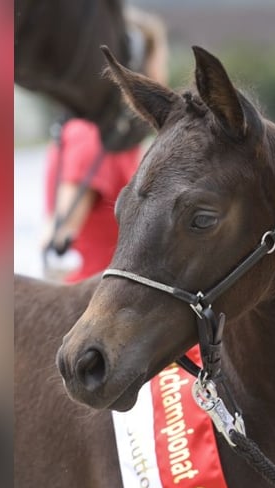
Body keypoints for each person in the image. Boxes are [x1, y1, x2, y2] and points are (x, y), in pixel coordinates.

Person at [42, 8, 167, 283]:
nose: (162, 76)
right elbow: (61, 233)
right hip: (92, 295)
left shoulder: (115, 139)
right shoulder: (96, 138)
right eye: (159, 62)